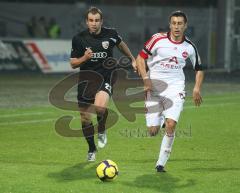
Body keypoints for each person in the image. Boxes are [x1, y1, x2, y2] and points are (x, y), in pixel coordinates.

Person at [136, 10, 204, 172]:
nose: (176, 26)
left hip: (175, 87)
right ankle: (158, 121)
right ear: (170, 25)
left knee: (171, 125)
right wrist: (146, 79)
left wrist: (196, 88)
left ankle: (160, 164)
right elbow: (140, 58)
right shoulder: (157, 39)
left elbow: (199, 69)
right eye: (174, 23)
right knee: (152, 131)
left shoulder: (189, 47)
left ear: (185, 26)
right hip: (154, 85)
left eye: (180, 23)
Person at [70, 7, 136, 162]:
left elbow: (121, 44)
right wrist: (84, 58)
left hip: (106, 76)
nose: (94, 23)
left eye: (97, 20)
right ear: (86, 22)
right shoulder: (78, 38)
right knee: (85, 118)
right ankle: (92, 149)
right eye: (91, 20)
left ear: (101, 21)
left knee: (99, 108)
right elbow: (73, 63)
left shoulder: (111, 34)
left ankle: (101, 129)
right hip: (86, 81)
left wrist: (132, 58)